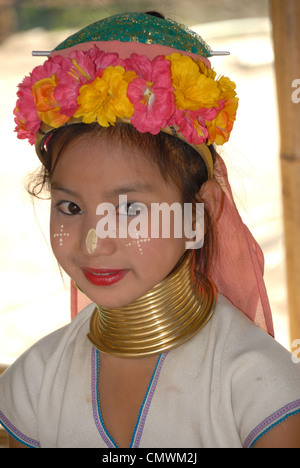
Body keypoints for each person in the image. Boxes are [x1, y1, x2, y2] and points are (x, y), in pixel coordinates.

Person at [1, 11, 300, 449]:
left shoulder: (258, 388)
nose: (93, 241)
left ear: (199, 215)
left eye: (128, 209)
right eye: (69, 206)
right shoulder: (33, 383)